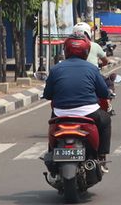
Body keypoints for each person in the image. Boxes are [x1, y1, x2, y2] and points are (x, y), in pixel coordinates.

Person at [42, 37, 112, 172]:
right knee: (105, 120)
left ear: (66, 51)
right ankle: (102, 157)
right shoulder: (92, 69)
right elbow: (103, 92)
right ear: (86, 52)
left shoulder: (56, 69)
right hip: (89, 113)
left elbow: (48, 94)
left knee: (52, 126)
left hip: (60, 115)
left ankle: (51, 153)